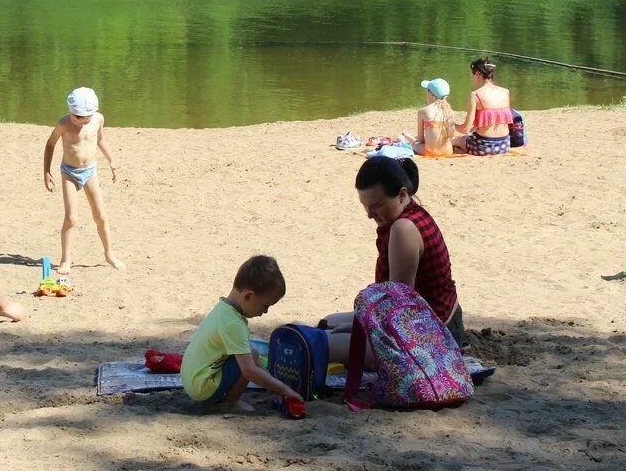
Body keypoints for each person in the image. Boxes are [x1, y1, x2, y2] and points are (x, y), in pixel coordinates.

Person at [322, 157, 465, 360]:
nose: (370, 215)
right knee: (327, 323)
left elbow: (399, 307)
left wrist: (363, 329)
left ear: (402, 194)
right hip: (431, 320)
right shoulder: (407, 213)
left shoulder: (403, 228)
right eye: (366, 206)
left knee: (324, 343)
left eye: (377, 206)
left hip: (434, 336)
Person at [180, 255, 303, 412]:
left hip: (195, 380)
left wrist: (273, 385)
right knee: (252, 354)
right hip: (204, 387)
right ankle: (231, 402)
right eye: (265, 305)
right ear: (248, 296)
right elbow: (249, 371)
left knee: (250, 352)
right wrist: (285, 390)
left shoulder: (224, 309)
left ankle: (229, 397)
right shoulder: (233, 323)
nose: (265, 312)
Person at [42, 87, 123, 273]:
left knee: (101, 215)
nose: (76, 120)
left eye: (81, 118)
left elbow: (100, 140)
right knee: (71, 218)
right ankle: (65, 260)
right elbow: (50, 144)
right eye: (74, 115)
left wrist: (112, 160)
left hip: (90, 171)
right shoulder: (64, 123)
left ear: (91, 113)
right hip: (69, 172)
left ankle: (109, 254)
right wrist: (46, 171)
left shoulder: (98, 120)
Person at [452, 57, 514, 156]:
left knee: (456, 139)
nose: (471, 78)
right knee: (470, 135)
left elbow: (465, 129)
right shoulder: (505, 92)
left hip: (483, 147)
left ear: (478, 74)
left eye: (472, 75)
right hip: (504, 145)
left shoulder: (475, 95)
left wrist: (450, 124)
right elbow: (497, 116)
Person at [409, 78, 458, 157]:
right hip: (448, 151)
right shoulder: (450, 111)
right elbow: (450, 135)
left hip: (430, 152)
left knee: (414, 144)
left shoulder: (423, 111)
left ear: (432, 94)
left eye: (427, 90)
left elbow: (421, 139)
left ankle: (408, 138)